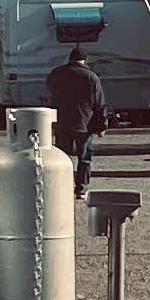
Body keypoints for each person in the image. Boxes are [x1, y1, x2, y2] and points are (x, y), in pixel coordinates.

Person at [48, 43, 107, 197]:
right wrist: (102, 125)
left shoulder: (56, 74)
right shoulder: (91, 77)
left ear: (70, 58)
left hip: (62, 122)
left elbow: (50, 94)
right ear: (84, 60)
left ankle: (62, 187)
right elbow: (99, 103)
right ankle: (81, 188)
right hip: (84, 124)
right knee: (84, 158)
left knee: (62, 157)